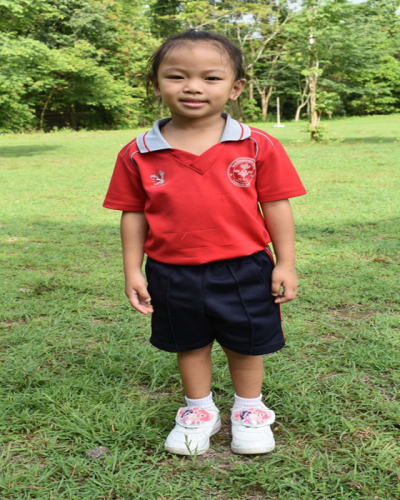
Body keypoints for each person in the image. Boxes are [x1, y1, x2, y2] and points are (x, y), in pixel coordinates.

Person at [103, 29, 306, 456]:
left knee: (245, 342)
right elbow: (133, 214)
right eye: (177, 76)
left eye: (211, 78)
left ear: (236, 88)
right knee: (189, 343)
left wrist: (285, 262)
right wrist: (132, 270)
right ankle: (199, 411)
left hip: (245, 267)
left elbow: (276, 205)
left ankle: (250, 410)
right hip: (170, 272)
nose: (193, 87)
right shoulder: (137, 153)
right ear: (156, 84)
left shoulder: (257, 145)